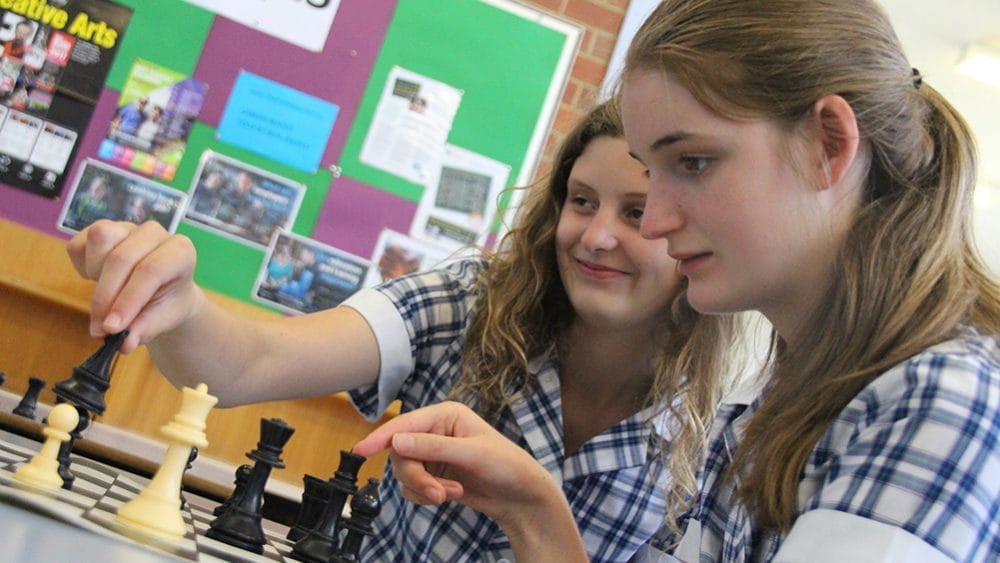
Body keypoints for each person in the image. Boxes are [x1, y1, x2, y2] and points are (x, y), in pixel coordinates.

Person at [353, 1, 1000, 561]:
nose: (657, 219)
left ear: (828, 143)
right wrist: (532, 507)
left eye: (693, 161)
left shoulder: (939, 398)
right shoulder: (761, 415)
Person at [65, 99, 738, 562]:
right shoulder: (468, 301)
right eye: (582, 201)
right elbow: (253, 362)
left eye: (636, 212)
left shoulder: (715, 442)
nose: (595, 236)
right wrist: (181, 300)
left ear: (691, 227)